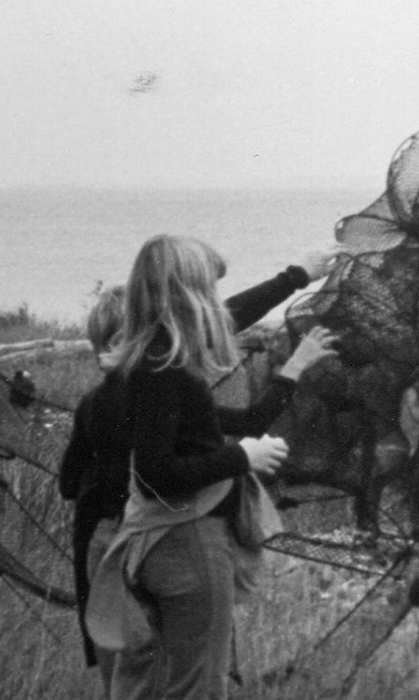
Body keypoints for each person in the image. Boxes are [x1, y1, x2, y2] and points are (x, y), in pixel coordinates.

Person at [71, 235, 338, 699]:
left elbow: (70, 482)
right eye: (208, 289)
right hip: (186, 537)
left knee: (135, 682)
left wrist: (294, 278)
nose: (216, 303)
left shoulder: (140, 363)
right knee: (197, 687)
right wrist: (243, 457)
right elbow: (157, 473)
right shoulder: (164, 369)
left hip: (134, 544)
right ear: (188, 294)